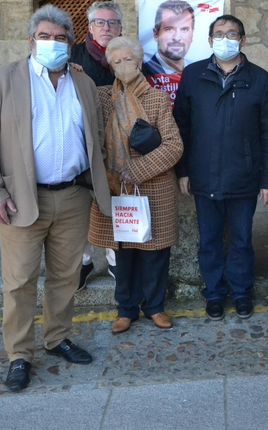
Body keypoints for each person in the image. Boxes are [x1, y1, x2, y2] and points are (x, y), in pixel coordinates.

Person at [0, 5, 111, 392]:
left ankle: (57, 337)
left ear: (69, 43)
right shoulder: (3, 79)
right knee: (19, 282)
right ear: (31, 41)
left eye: (60, 37)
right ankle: (18, 354)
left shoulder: (81, 82)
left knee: (66, 278)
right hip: (20, 201)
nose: (52, 43)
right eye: (44, 36)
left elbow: (95, 134)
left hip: (73, 197)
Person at [174, 15, 268, 321]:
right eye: (219, 34)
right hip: (203, 176)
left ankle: (242, 292)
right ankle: (215, 294)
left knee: (241, 240)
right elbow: (181, 126)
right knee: (208, 240)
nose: (225, 39)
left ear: (243, 40)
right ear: (209, 41)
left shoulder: (259, 79)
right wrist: (183, 171)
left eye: (232, 34)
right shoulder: (193, 75)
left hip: (244, 177)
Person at [87, 37, 183, 334]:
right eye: (116, 61)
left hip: (152, 187)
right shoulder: (102, 97)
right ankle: (126, 309)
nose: (123, 65)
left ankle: (154, 307)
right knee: (123, 252)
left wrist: (137, 170)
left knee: (155, 252)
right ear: (110, 67)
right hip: (115, 188)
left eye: (128, 59)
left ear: (139, 62)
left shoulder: (157, 98)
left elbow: (174, 146)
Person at [69, 0, 122, 289]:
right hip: (81, 141)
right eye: (100, 22)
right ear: (89, 27)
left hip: (117, 143)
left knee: (113, 201)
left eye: (112, 22)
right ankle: (83, 261)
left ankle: (115, 260)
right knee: (81, 206)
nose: (106, 27)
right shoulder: (73, 56)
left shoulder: (128, 54)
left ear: (120, 27)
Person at [142, 0, 195, 107]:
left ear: (192, 34)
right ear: (156, 34)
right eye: (169, 29)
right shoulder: (141, 74)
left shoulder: (198, 73)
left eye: (184, 29)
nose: (177, 37)